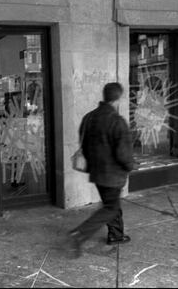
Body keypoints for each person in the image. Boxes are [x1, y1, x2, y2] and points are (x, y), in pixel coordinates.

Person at [69, 82, 134, 258]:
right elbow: (123, 154)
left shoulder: (89, 117)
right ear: (118, 99)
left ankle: (116, 235)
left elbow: (84, 142)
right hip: (113, 174)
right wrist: (130, 167)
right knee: (111, 207)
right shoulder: (117, 122)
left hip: (96, 172)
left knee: (111, 204)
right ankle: (80, 233)